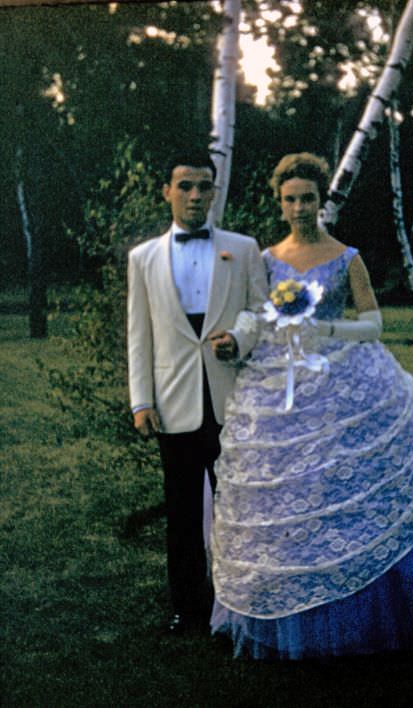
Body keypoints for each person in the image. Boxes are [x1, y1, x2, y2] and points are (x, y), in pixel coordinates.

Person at [209, 152, 413, 659]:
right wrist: (235, 343)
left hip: (342, 378)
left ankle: (368, 607)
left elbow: (373, 324)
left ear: (321, 200)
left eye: (308, 198)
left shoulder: (347, 256)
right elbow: (254, 319)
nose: (300, 208)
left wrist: (323, 329)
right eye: (290, 200)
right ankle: (297, 607)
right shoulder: (264, 259)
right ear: (279, 204)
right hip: (279, 384)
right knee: (290, 493)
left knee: (346, 486)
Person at [127, 149, 268, 633]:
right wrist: (141, 400)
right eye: (184, 186)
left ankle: (246, 600)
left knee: (240, 508)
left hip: (233, 400)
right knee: (183, 511)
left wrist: (240, 338)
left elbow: (260, 311)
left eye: (203, 186)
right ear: (166, 192)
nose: (194, 195)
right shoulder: (142, 258)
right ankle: (187, 607)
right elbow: (139, 334)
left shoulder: (243, 248)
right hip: (174, 404)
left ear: (213, 192)